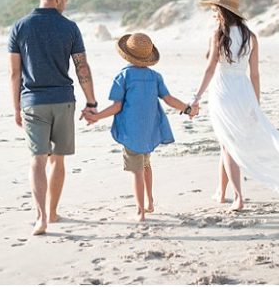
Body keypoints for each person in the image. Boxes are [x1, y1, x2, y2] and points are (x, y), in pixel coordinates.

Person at [193, 0, 279, 210]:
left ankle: (238, 197)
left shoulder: (218, 35)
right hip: (244, 92)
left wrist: (196, 97)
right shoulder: (250, 36)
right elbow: (255, 74)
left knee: (228, 145)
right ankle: (221, 192)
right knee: (226, 143)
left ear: (223, 11)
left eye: (214, 10)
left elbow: (209, 69)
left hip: (223, 93)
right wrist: (255, 104)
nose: (212, 13)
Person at [8, 0, 99, 235]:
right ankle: (53, 212)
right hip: (63, 101)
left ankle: (41, 218)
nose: (66, 1)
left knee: (37, 159)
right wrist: (91, 102)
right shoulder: (69, 27)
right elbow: (82, 67)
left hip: (32, 102)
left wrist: (16, 108)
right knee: (57, 160)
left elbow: (14, 73)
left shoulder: (20, 27)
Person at [83, 33, 196, 221]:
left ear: (126, 54)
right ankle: (149, 202)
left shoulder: (123, 76)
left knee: (136, 171)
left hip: (131, 131)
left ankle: (140, 211)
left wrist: (97, 116)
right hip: (149, 130)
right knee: (146, 165)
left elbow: (116, 106)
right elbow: (169, 99)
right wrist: (188, 108)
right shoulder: (155, 76)